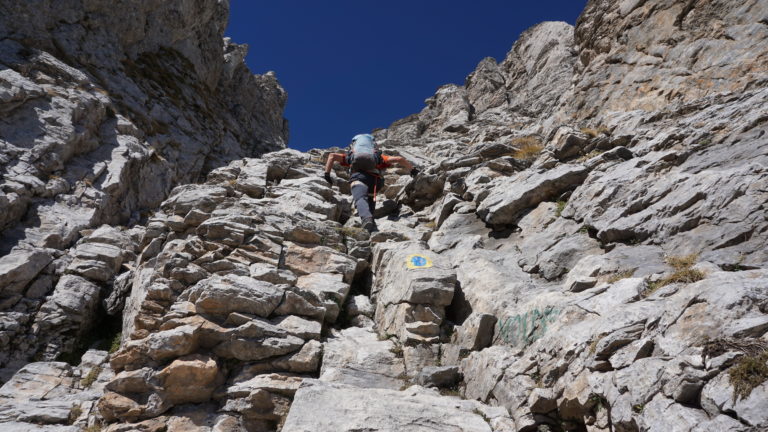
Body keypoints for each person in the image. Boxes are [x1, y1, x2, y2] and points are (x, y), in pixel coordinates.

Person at [324, 134, 419, 232]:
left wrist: (327, 174)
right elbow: (399, 159)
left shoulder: (352, 155)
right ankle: (371, 222)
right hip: (375, 182)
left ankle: (367, 219)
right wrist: (413, 171)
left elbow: (332, 156)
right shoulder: (377, 156)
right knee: (370, 197)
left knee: (360, 198)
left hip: (358, 178)